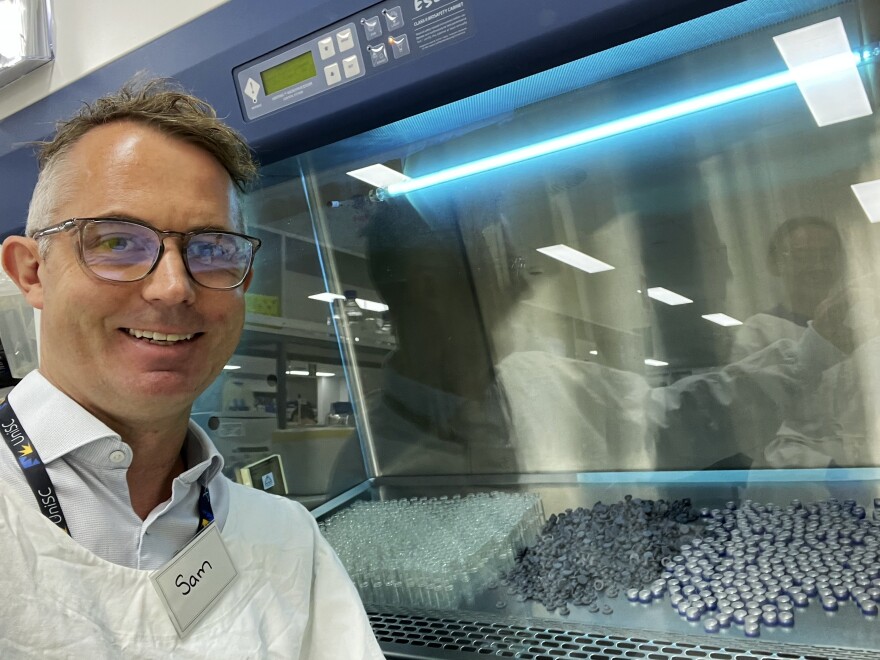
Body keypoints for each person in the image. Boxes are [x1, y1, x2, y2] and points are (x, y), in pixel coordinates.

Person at [0, 79, 383, 658]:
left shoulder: (286, 538)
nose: (175, 286)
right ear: (31, 272)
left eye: (211, 249)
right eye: (118, 241)